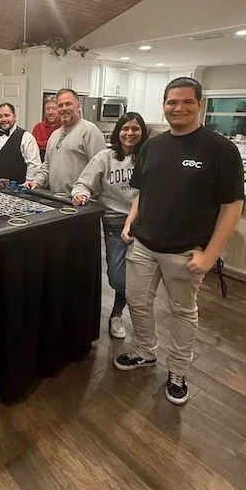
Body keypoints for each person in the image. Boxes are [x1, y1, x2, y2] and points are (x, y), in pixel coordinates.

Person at [114, 77, 244, 405]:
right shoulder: (152, 146)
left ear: (199, 104)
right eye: (172, 102)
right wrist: (131, 221)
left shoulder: (221, 150)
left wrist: (211, 255)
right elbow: (143, 191)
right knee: (139, 302)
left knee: (182, 311)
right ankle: (145, 351)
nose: (178, 108)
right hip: (144, 244)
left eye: (186, 102)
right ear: (164, 105)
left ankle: (178, 370)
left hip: (186, 252)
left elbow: (232, 207)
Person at [72, 113, 148, 339]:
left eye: (135, 129)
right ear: (118, 131)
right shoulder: (104, 157)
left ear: (142, 132)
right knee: (117, 278)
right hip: (115, 224)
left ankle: (117, 314)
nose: (130, 133)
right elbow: (83, 184)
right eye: (125, 128)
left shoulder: (149, 157)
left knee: (139, 279)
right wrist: (81, 194)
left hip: (143, 226)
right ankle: (130, 310)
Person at [26, 88, 106, 195]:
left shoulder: (90, 131)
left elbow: (100, 169)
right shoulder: (55, 135)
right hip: (56, 198)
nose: (64, 108)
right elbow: (47, 166)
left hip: (81, 202)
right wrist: (37, 181)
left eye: (68, 104)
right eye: (60, 105)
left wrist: (83, 193)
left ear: (78, 106)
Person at [0, 103, 41, 184]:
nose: (3, 119)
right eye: (0, 116)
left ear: (14, 116)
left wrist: (28, 183)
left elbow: (34, 165)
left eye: (7, 115)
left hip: (16, 189)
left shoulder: (26, 137)